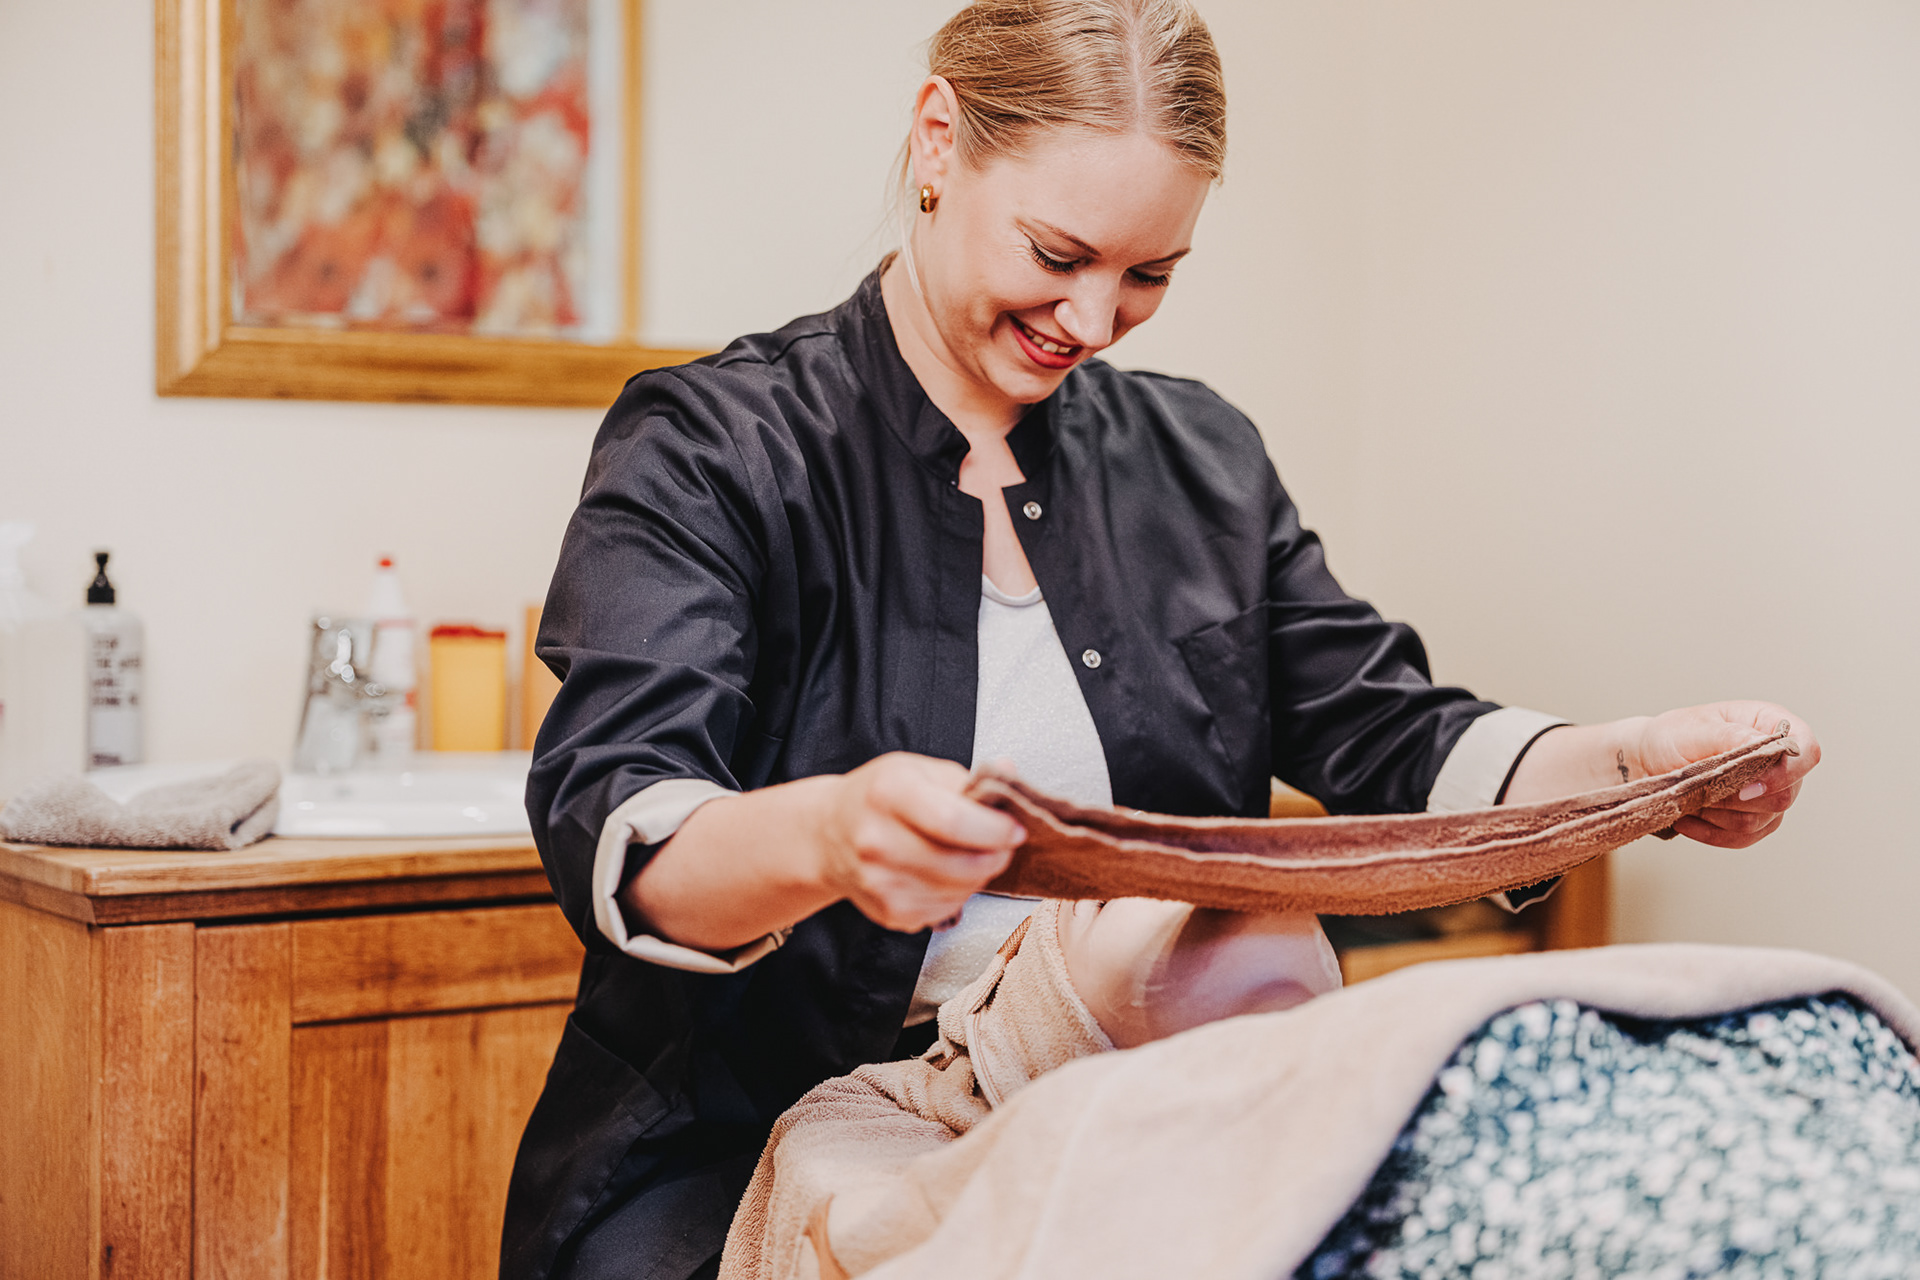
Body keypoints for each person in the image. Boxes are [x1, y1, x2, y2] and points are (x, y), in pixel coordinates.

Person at [501, 3, 1821, 1277]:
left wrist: (1640, 766)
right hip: (742, 1153)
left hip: (1135, 1126)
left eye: (1148, 276)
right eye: (1057, 255)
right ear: (938, 139)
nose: (1091, 322)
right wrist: (830, 835)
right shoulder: (716, 449)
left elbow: (1399, 735)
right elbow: (625, 821)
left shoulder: (1202, 464)